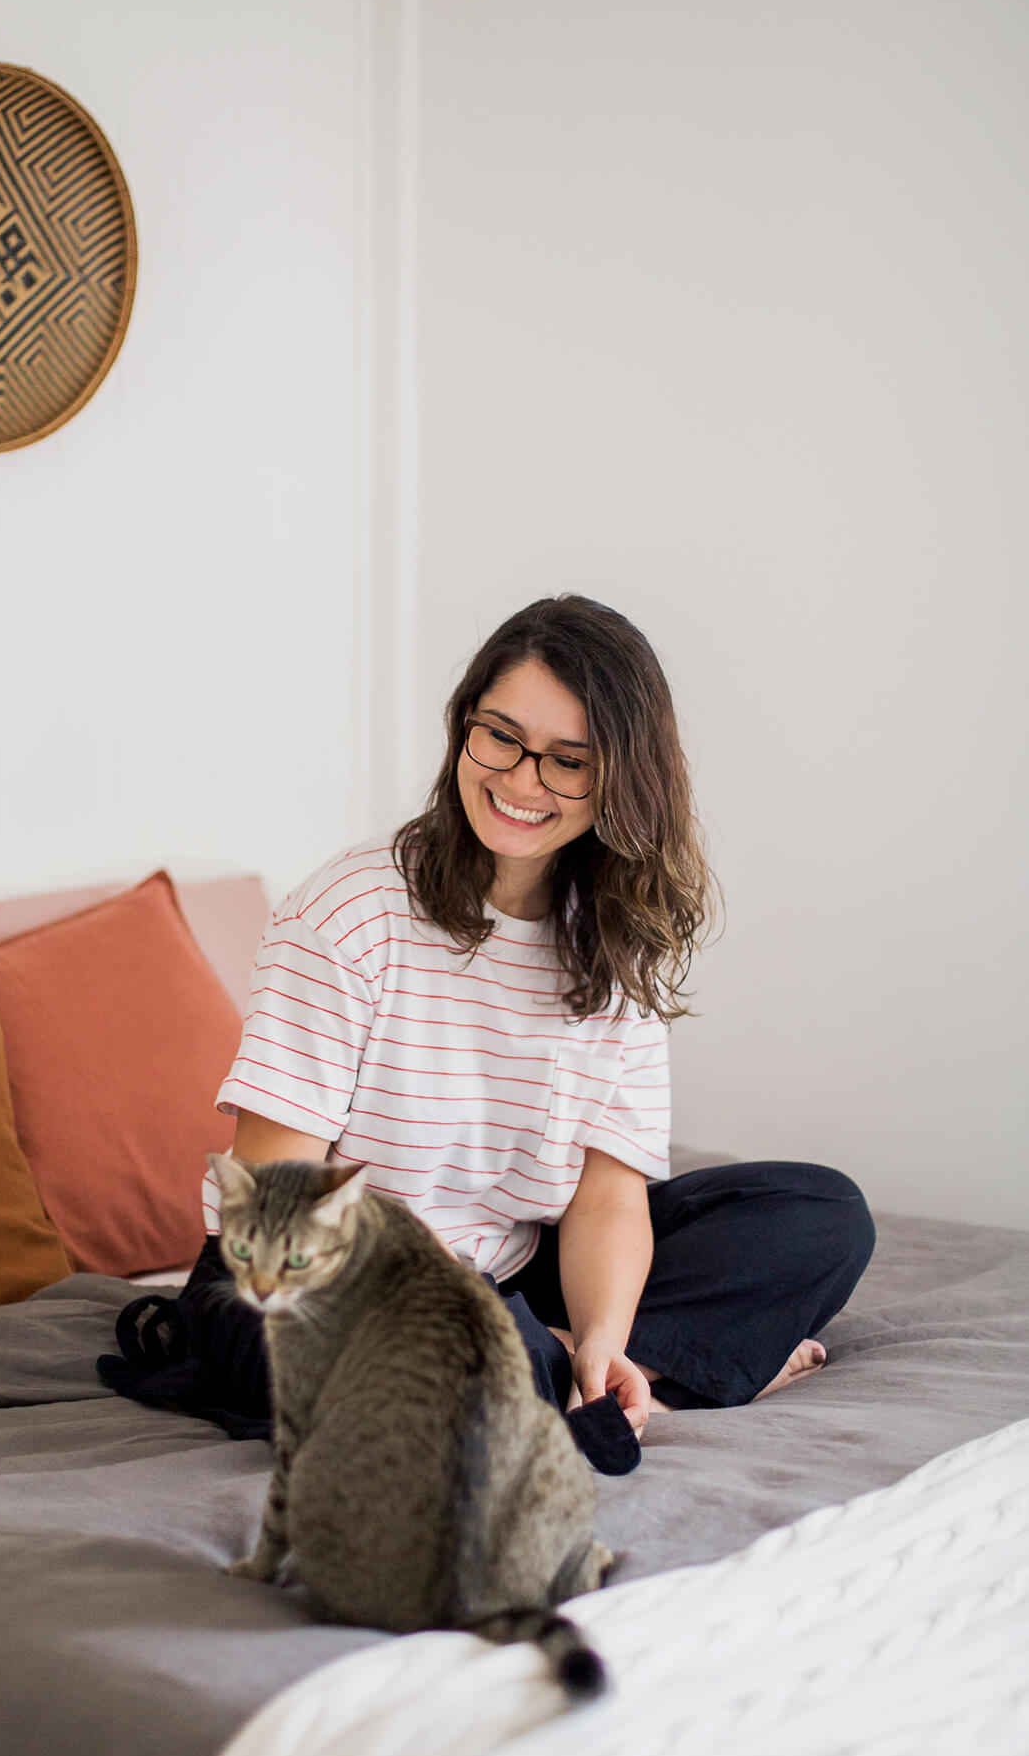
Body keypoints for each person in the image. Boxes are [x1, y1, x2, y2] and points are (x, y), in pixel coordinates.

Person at [103, 594, 875, 1465]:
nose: (519, 780)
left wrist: (599, 1341)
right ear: (463, 726)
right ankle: (636, 1375)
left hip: (505, 1273)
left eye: (567, 761)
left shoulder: (620, 943)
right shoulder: (348, 914)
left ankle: (586, 1373)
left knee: (820, 1215)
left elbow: (607, 1196)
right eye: (500, 735)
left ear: (622, 779)